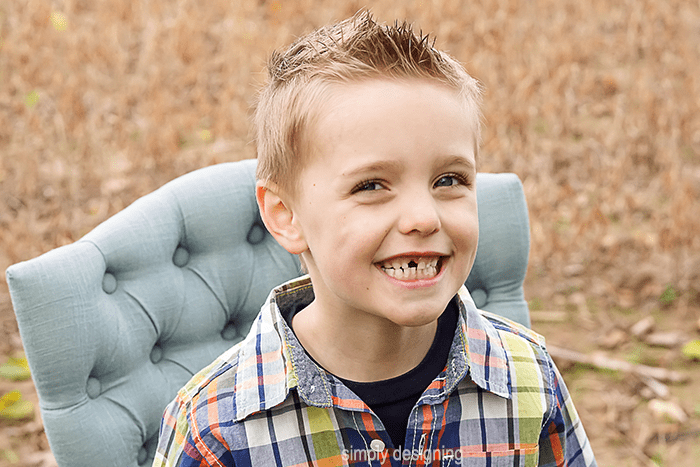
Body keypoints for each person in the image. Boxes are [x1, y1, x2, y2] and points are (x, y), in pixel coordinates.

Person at [153, 11, 596, 467]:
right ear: (286, 216)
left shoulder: (530, 382)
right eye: (371, 186)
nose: (423, 217)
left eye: (449, 179)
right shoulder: (215, 430)